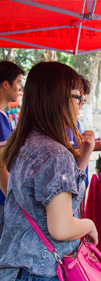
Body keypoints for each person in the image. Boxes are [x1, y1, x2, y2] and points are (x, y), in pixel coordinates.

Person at [0, 62, 98, 280]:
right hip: (41, 270)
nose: (80, 104)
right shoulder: (55, 154)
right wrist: (90, 225)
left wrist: (83, 157)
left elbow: (59, 196)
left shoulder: (25, 141)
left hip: (19, 267)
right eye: (77, 96)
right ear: (58, 98)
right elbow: (61, 228)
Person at [0, 61, 25, 238]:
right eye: (18, 82)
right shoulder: (1, 118)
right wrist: (15, 201)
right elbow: (1, 166)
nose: (20, 88)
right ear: (5, 84)